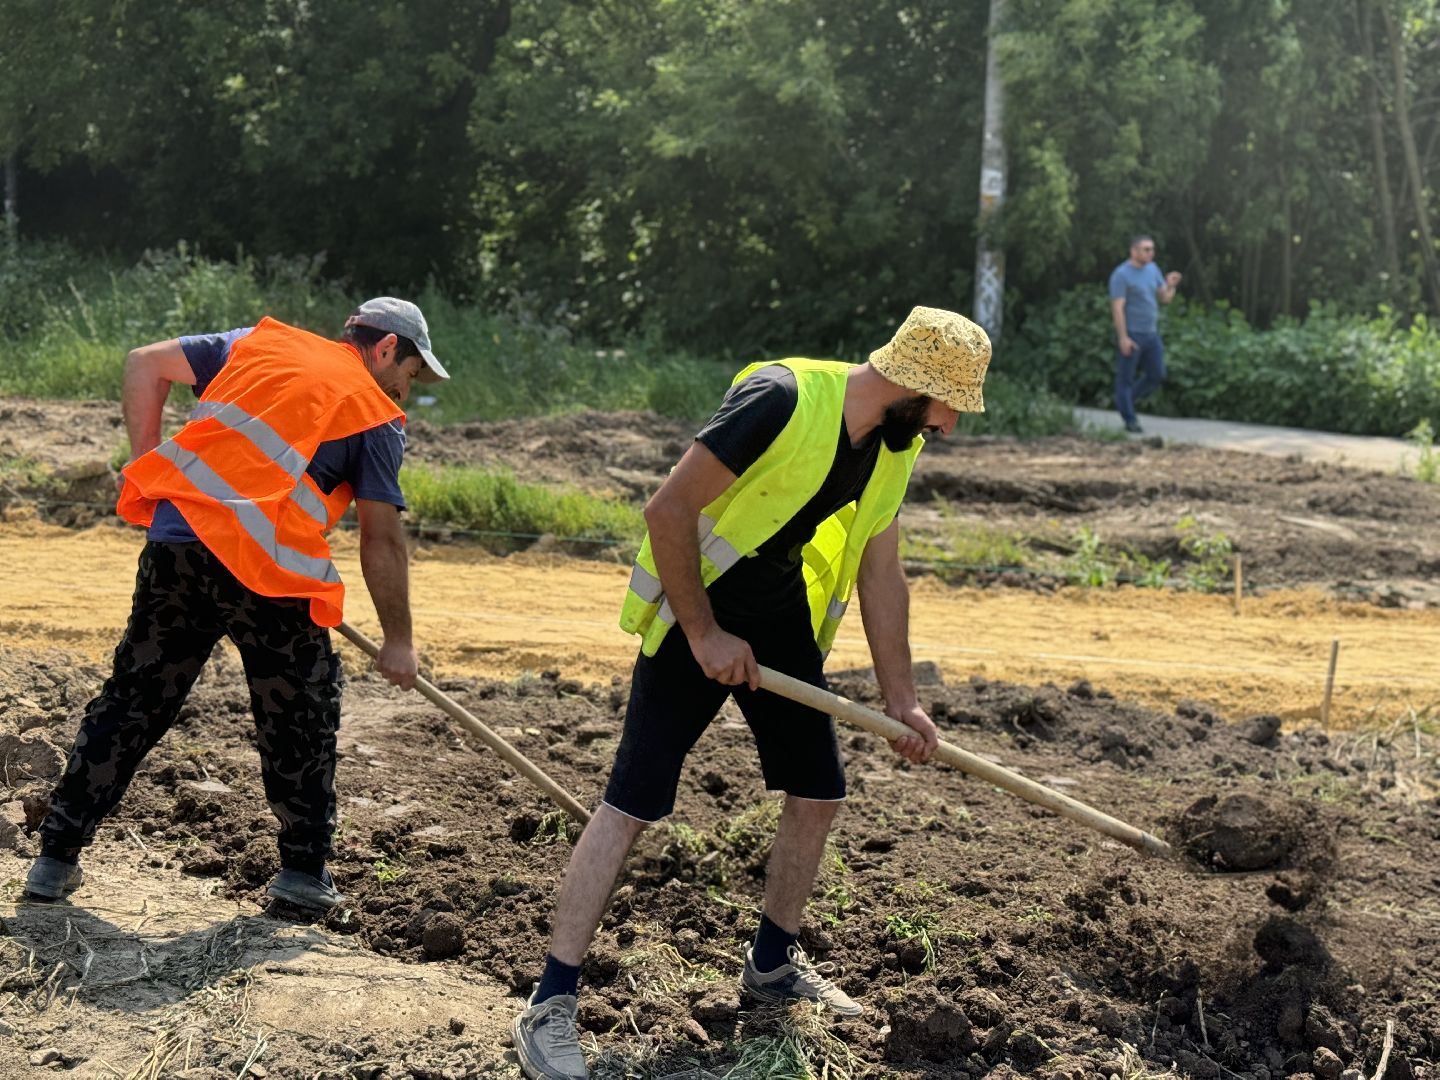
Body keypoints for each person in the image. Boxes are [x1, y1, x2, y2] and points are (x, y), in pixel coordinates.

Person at [510, 306, 992, 1080]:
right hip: (690, 608)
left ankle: (770, 967)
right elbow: (668, 510)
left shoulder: (895, 447)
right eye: (947, 408)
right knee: (631, 805)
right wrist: (703, 635)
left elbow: (880, 573)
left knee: (818, 791)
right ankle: (550, 1002)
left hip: (776, 615)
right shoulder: (781, 398)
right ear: (911, 385)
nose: (949, 426)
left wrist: (902, 700)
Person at [24, 298, 449, 911]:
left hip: (178, 548)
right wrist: (399, 641)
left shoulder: (257, 342)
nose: (405, 390)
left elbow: (145, 364)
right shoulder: (373, 413)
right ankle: (302, 878)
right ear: (385, 349)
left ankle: (54, 859)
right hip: (266, 575)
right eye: (409, 373)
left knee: (133, 700)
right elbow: (381, 538)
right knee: (298, 714)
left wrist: (143, 461)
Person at [1109, 234, 1181, 434]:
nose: (1150, 253)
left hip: (1151, 333)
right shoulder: (1121, 275)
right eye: (1146, 249)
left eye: (1152, 249)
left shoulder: (1153, 269)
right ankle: (1130, 419)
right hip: (1132, 333)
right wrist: (1123, 337)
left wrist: (1171, 285)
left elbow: (1165, 298)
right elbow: (1117, 308)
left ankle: (1125, 401)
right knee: (1125, 378)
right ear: (1134, 251)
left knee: (1157, 374)